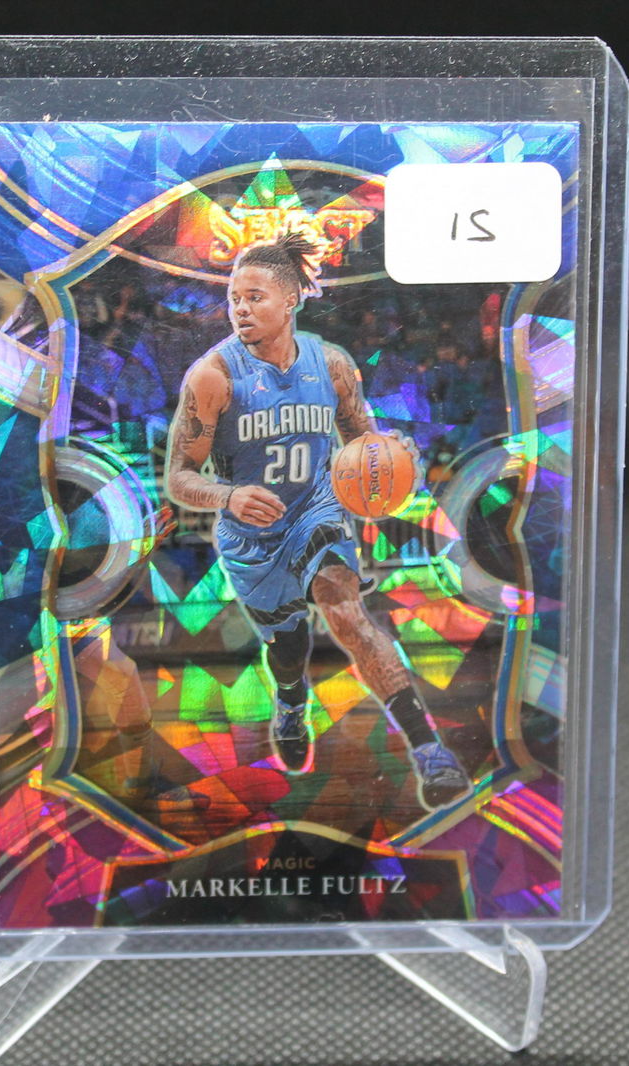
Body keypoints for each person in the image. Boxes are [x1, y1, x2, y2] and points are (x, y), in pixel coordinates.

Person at [163, 232, 469, 809]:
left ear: (290, 301)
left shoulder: (331, 365)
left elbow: (363, 444)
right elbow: (179, 476)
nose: (240, 309)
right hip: (252, 535)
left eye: (254, 297)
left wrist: (393, 454)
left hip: (315, 510)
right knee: (289, 646)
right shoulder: (212, 376)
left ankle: (429, 750)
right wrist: (228, 496)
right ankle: (290, 698)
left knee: (347, 612)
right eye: (233, 299)